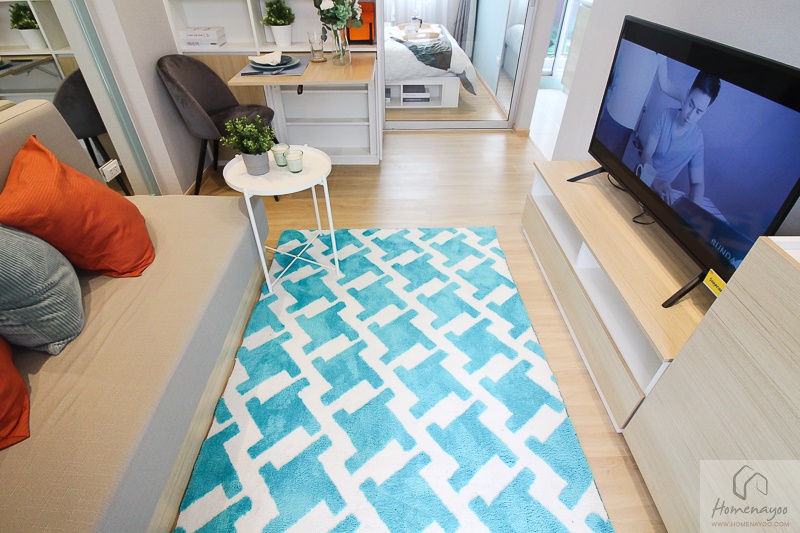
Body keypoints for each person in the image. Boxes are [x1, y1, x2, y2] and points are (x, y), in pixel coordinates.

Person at [638, 71, 721, 205]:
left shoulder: (697, 140)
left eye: (699, 111)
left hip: (662, 194)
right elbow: (646, 154)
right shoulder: (665, 116)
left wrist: (693, 208)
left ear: (706, 111)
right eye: (691, 105)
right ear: (687, 95)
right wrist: (656, 180)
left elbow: (698, 183)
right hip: (643, 180)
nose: (690, 116)